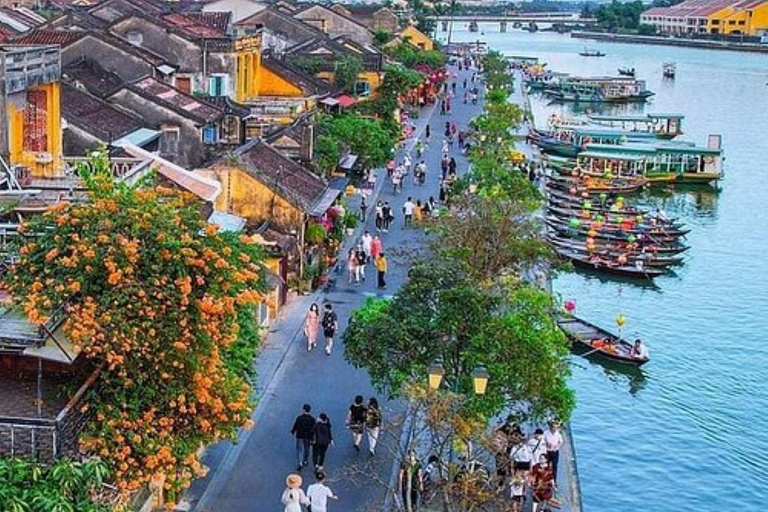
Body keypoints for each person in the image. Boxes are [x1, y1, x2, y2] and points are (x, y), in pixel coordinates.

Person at [291, 405, 315, 470]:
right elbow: (313, 429)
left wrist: (293, 431)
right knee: (307, 448)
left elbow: (295, 425)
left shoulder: (299, 418)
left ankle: (300, 463)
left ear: (304, 410)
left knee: (299, 449)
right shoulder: (312, 419)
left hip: (299, 435)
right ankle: (305, 460)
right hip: (308, 436)